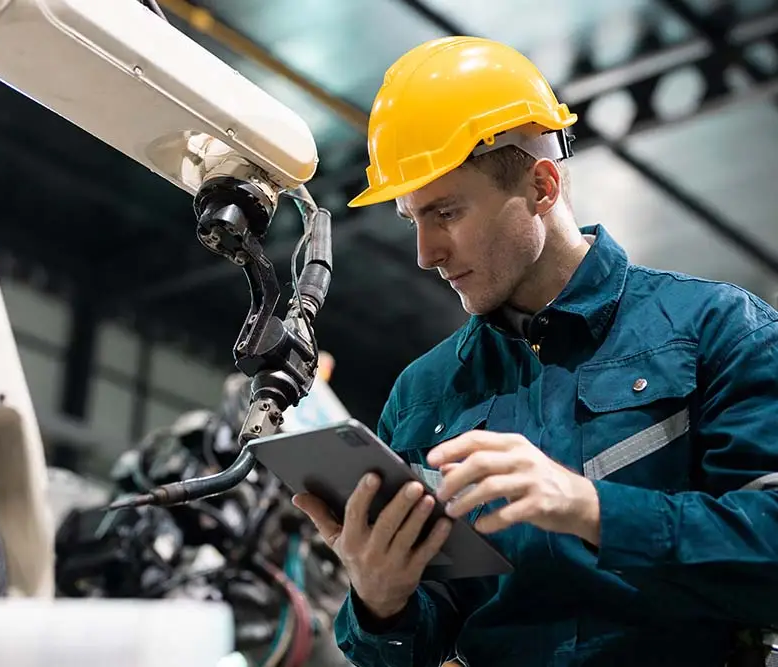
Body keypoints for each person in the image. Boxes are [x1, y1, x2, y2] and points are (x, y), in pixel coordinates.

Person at [291, 36, 778, 666]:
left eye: (446, 212)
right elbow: (414, 642)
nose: (425, 252)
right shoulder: (423, 395)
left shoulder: (718, 329)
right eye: (413, 219)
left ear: (542, 187)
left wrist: (590, 507)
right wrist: (381, 599)